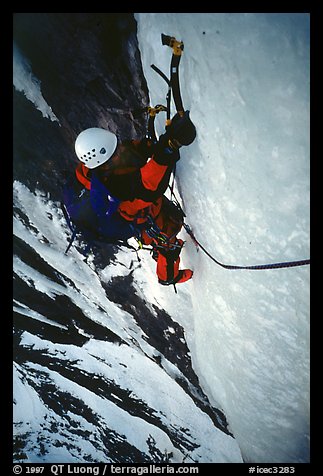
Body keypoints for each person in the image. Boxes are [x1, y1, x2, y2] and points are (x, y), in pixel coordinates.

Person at [63, 110, 196, 286]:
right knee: (168, 237)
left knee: (168, 218)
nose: (119, 152)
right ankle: (168, 277)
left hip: (144, 205)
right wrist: (169, 145)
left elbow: (130, 151)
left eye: (116, 148)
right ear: (105, 164)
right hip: (141, 214)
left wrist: (149, 146)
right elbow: (149, 186)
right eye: (115, 152)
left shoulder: (99, 162)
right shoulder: (114, 189)